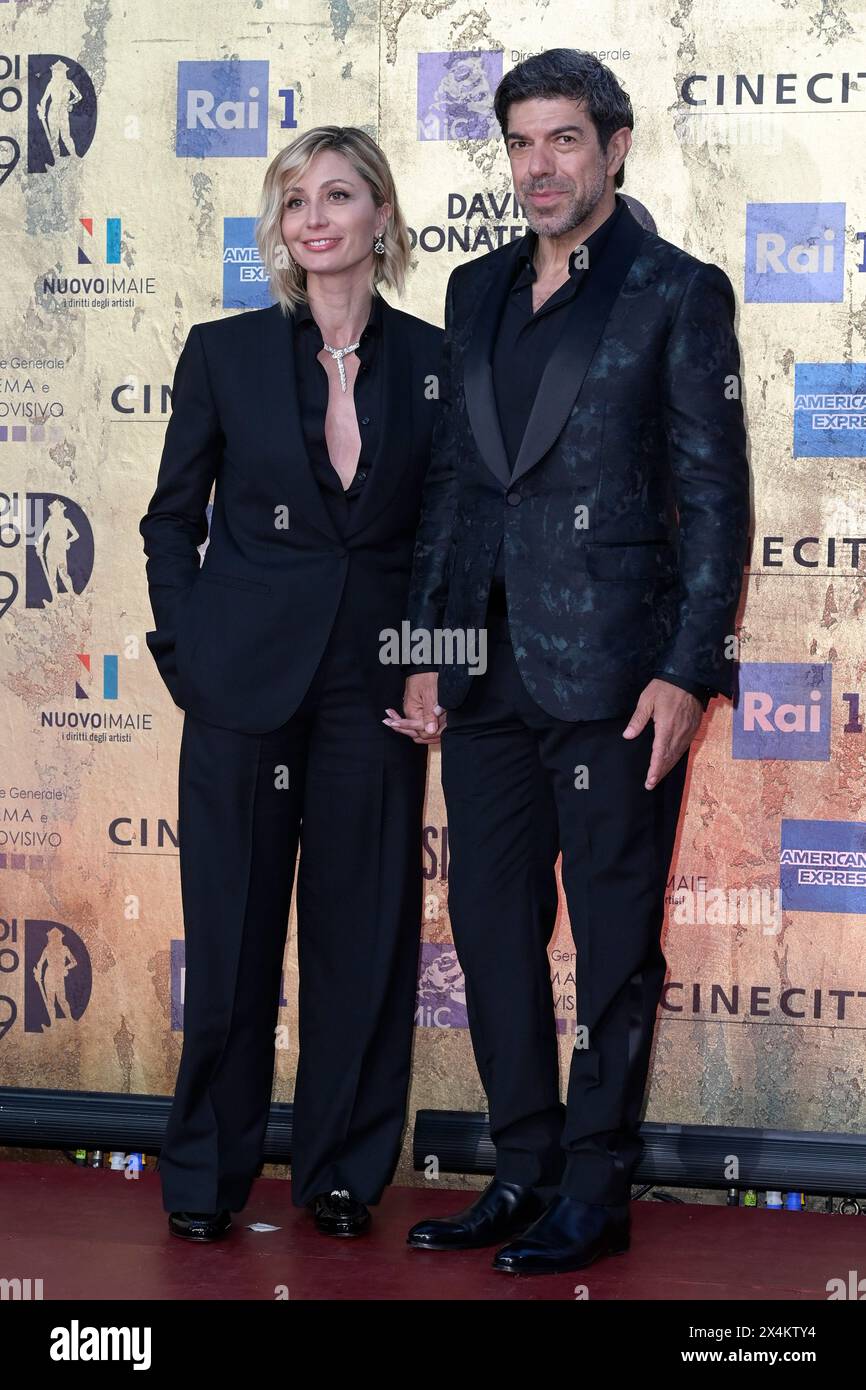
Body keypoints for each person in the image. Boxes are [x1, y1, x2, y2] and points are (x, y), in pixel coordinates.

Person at [391, 49, 750, 1275]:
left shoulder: (674, 290)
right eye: (518, 143)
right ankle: (523, 1166)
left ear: (611, 147)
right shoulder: (474, 287)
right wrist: (427, 651)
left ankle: (595, 1185)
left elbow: (714, 500)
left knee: (610, 946)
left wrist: (687, 670)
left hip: (615, 681)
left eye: (560, 141)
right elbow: (453, 486)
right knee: (489, 929)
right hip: (486, 677)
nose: (537, 167)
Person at [139, 126, 442, 1242]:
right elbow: (170, 520)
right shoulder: (221, 353)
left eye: (339, 195)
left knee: (360, 939)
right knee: (228, 942)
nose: (314, 217)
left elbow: (451, 542)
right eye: (295, 199)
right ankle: (205, 1177)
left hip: (372, 691)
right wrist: (190, 654)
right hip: (240, 689)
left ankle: (344, 1173)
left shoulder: (434, 362)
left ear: (380, 219)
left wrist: (435, 667)